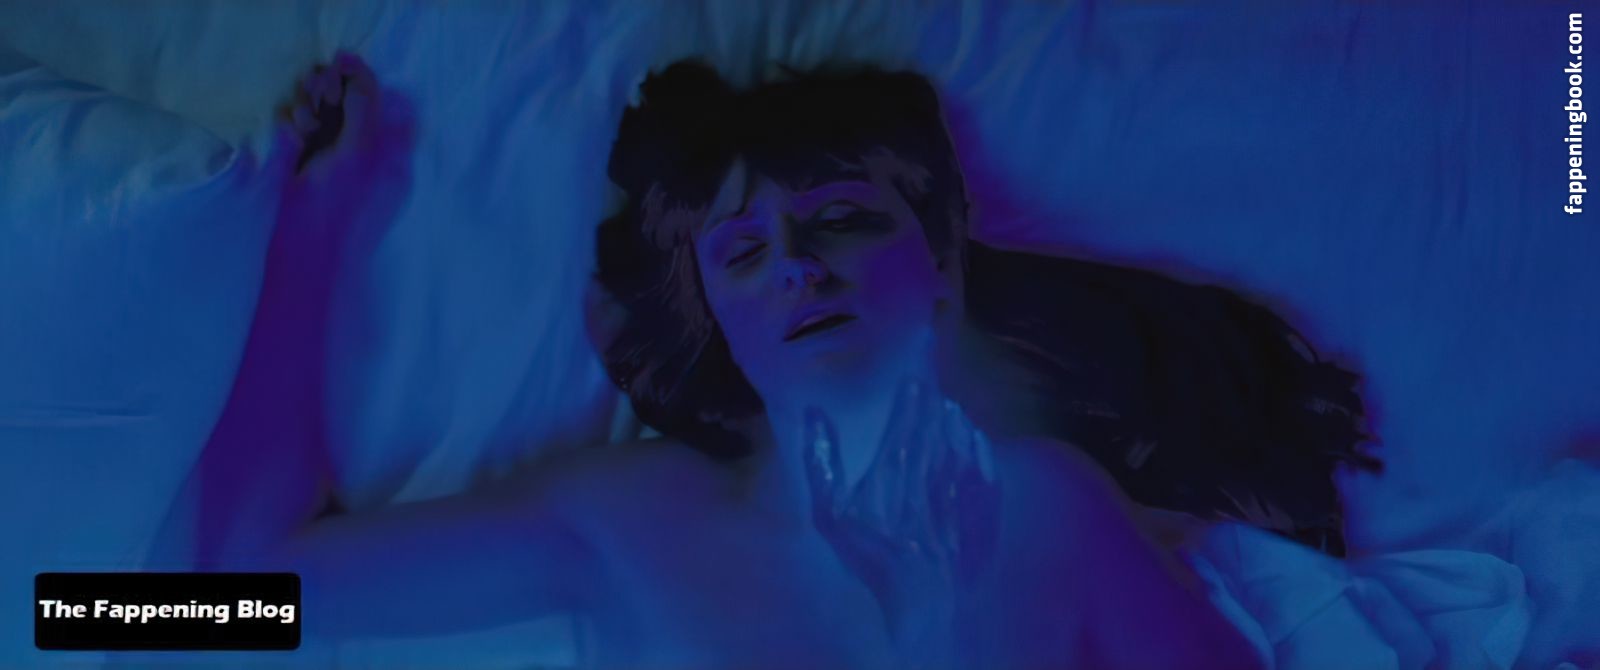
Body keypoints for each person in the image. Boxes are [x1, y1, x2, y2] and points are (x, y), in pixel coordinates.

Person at [160, 52, 1286, 668]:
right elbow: (226, 599)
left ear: (941, 261)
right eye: (743, 253)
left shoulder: (1045, 510)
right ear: (720, 323)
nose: (795, 265)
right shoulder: (638, 519)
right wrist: (312, 227)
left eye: (841, 219)